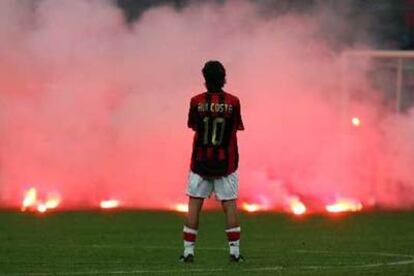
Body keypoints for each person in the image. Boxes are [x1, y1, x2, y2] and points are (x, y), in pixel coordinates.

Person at [180, 60, 244, 263]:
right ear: (224, 78)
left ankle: (189, 252)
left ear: (205, 79)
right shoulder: (233, 102)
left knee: (194, 205)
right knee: (230, 205)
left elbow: (193, 126)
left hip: (200, 162)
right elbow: (236, 127)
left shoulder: (196, 101)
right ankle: (234, 253)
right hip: (227, 163)